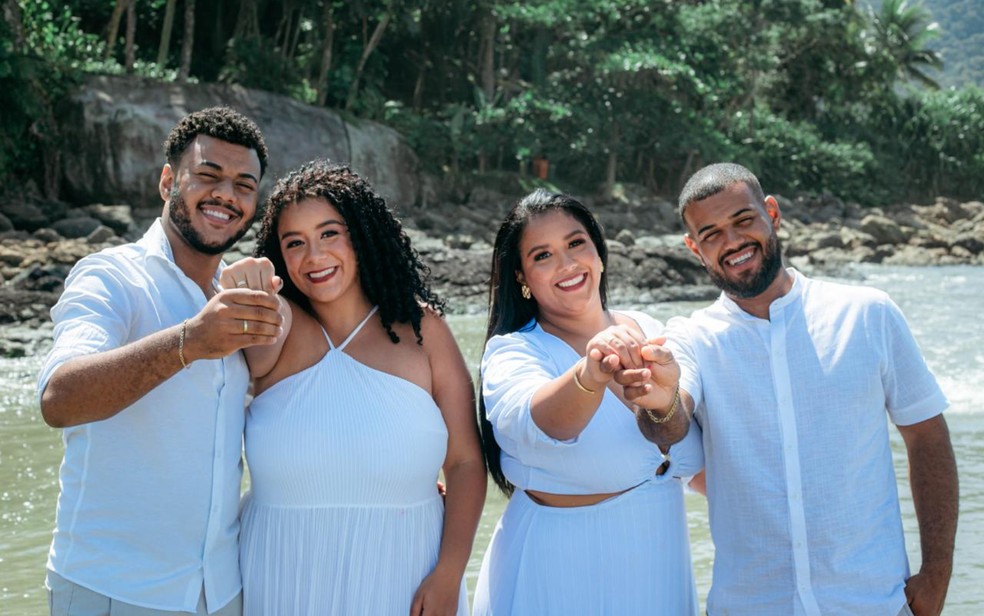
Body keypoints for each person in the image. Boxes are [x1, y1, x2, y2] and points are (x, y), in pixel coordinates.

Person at [621, 162, 959, 616]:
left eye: (743, 221)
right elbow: (671, 419)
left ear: (772, 214)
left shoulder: (866, 314)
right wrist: (659, 400)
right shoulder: (691, 338)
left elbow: (928, 437)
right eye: (712, 233)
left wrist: (936, 574)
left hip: (872, 601)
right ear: (693, 248)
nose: (734, 242)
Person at [38, 107, 283, 615]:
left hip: (221, 590)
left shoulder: (240, 295)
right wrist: (190, 341)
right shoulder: (109, 277)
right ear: (168, 181)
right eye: (208, 176)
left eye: (244, 184)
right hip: (113, 589)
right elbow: (59, 399)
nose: (226, 196)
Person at [222, 159, 486, 615]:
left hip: (407, 578)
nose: (315, 256)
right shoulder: (276, 326)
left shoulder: (424, 331)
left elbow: (464, 463)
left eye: (330, 234)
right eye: (295, 243)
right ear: (279, 256)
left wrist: (449, 572)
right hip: (285, 576)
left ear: (361, 236)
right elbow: (261, 330)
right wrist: (245, 292)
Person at [472, 189, 703, 615]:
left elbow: (683, 441)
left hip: (659, 572)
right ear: (521, 277)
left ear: (598, 251)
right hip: (559, 577)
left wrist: (663, 400)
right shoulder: (514, 352)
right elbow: (538, 421)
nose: (566, 263)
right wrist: (589, 373)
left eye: (576, 243)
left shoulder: (657, 333)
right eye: (542, 255)